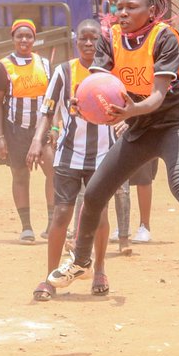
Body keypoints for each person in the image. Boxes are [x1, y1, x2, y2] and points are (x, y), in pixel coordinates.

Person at [48, 0, 179, 289]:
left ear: (152, 12)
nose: (122, 13)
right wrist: (81, 101)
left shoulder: (165, 37)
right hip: (139, 126)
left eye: (131, 7)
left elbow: (157, 96)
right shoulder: (110, 37)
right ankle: (80, 262)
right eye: (119, 7)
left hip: (174, 122)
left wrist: (130, 112)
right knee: (93, 194)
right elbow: (97, 85)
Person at [26, 20, 115, 300]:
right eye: (84, 39)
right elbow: (47, 110)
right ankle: (51, 278)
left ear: (101, 42)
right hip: (68, 155)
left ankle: (99, 269)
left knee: (99, 214)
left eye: (94, 39)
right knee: (61, 214)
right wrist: (37, 140)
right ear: (76, 41)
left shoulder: (111, 72)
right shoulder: (63, 72)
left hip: (103, 156)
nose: (89, 44)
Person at [0, 19, 54, 243]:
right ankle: (26, 227)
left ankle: (51, 224)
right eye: (20, 36)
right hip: (15, 131)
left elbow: (52, 100)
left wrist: (54, 127)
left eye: (28, 36)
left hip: (42, 130)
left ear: (34, 39)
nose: (24, 40)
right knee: (20, 175)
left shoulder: (46, 64)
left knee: (53, 172)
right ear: (13, 39)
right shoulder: (3, 67)